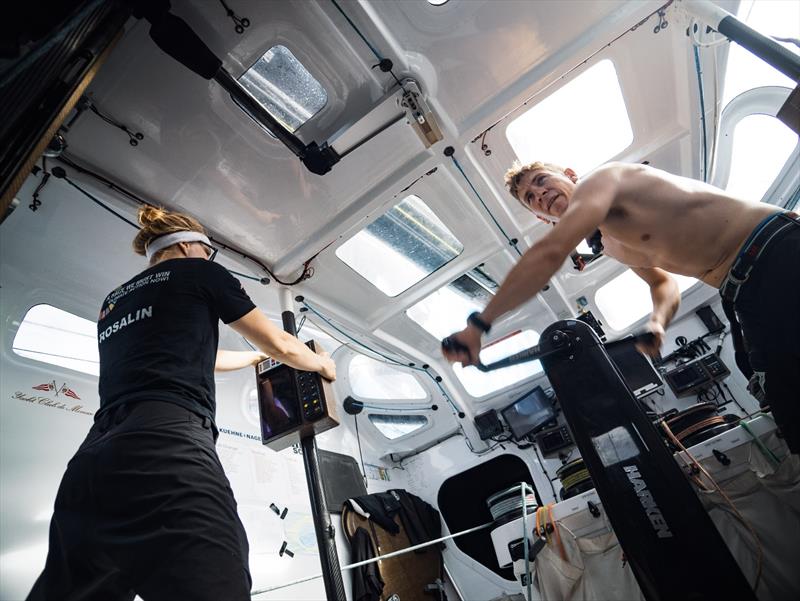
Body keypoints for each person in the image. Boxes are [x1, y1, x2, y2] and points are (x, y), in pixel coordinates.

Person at [28, 206, 336, 601]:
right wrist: (322, 365)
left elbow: (203, 357)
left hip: (91, 462)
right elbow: (279, 343)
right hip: (165, 445)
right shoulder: (201, 273)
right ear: (191, 245)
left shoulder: (114, 301)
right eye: (207, 252)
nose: (208, 260)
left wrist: (254, 359)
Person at [441, 161, 799, 453]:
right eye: (531, 198)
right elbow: (663, 283)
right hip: (743, 289)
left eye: (541, 180)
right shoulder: (611, 242)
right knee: (773, 389)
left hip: (773, 248)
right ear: (539, 216)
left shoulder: (604, 179)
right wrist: (658, 323)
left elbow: (550, 253)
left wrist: (479, 325)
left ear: (568, 173)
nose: (540, 194)